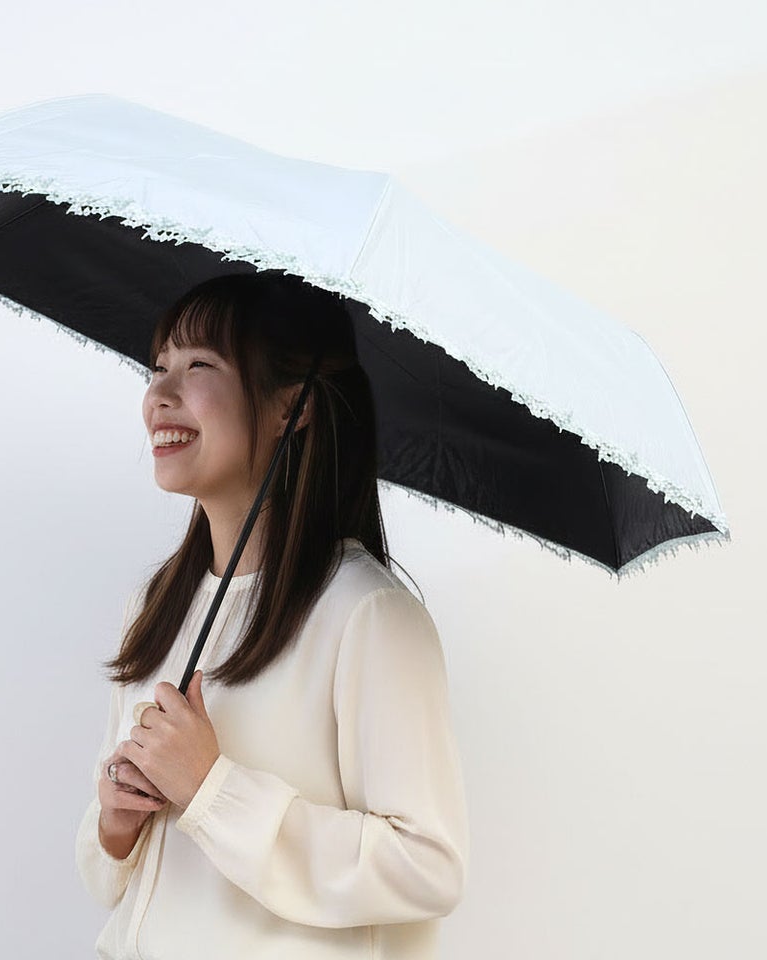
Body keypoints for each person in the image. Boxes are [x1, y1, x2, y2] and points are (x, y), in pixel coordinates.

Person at [75, 270, 470, 959]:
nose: (159, 395)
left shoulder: (368, 615)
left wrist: (213, 790)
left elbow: (427, 867)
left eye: (200, 365)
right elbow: (112, 880)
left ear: (294, 408)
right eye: (159, 366)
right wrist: (115, 821)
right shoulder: (157, 604)